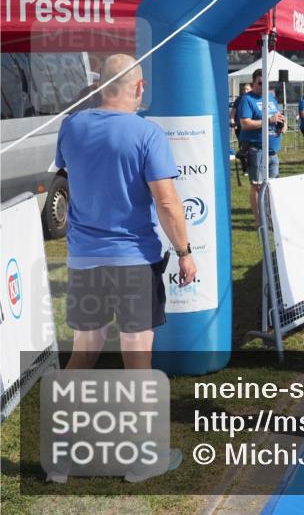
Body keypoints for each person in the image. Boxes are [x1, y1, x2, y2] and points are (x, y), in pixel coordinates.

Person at [53, 54, 196, 479]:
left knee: (83, 355)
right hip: (133, 260)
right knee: (137, 361)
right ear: (138, 87)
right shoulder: (147, 133)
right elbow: (168, 203)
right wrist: (185, 250)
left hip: (84, 260)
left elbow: (71, 172)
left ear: (100, 85)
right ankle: (140, 460)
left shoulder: (72, 126)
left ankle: (61, 458)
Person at [236, 69, 285, 227]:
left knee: (272, 186)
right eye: (260, 83)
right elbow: (245, 123)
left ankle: (270, 218)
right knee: (257, 185)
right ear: (253, 83)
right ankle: (259, 221)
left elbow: (279, 116)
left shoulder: (270, 97)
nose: (263, 85)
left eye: (266, 83)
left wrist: (283, 125)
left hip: (272, 149)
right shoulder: (247, 99)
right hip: (256, 148)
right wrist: (269, 120)